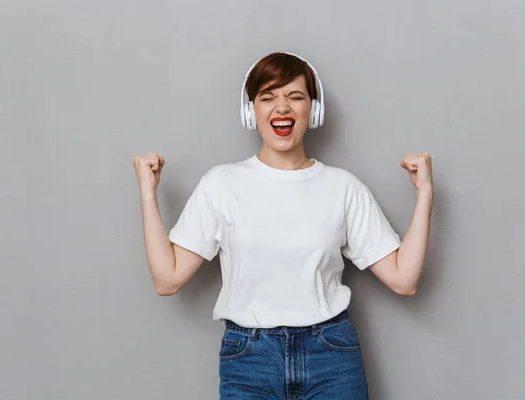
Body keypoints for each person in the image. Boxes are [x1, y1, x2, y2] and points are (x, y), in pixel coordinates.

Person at [132, 52, 433, 399]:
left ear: (313, 110)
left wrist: (424, 193)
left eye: (295, 96)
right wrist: (147, 192)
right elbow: (167, 279)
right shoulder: (221, 185)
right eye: (268, 97)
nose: (282, 108)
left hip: (331, 359)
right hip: (249, 361)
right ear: (250, 112)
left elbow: (404, 279)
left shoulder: (343, 188)